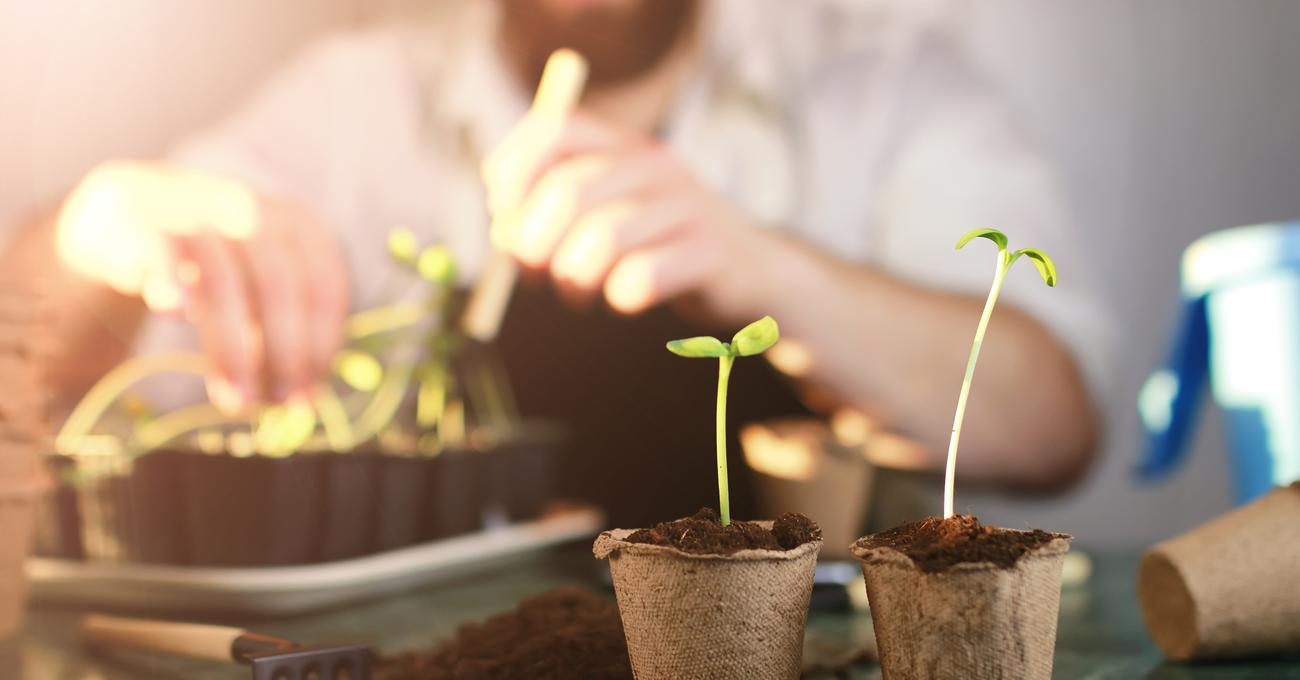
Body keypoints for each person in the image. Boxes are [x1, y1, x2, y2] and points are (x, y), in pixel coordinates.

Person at [4, 0, 1106, 525]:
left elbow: (1050, 423)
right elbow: (37, 320)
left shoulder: (883, 87)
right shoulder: (354, 97)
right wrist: (98, 223)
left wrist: (762, 264)